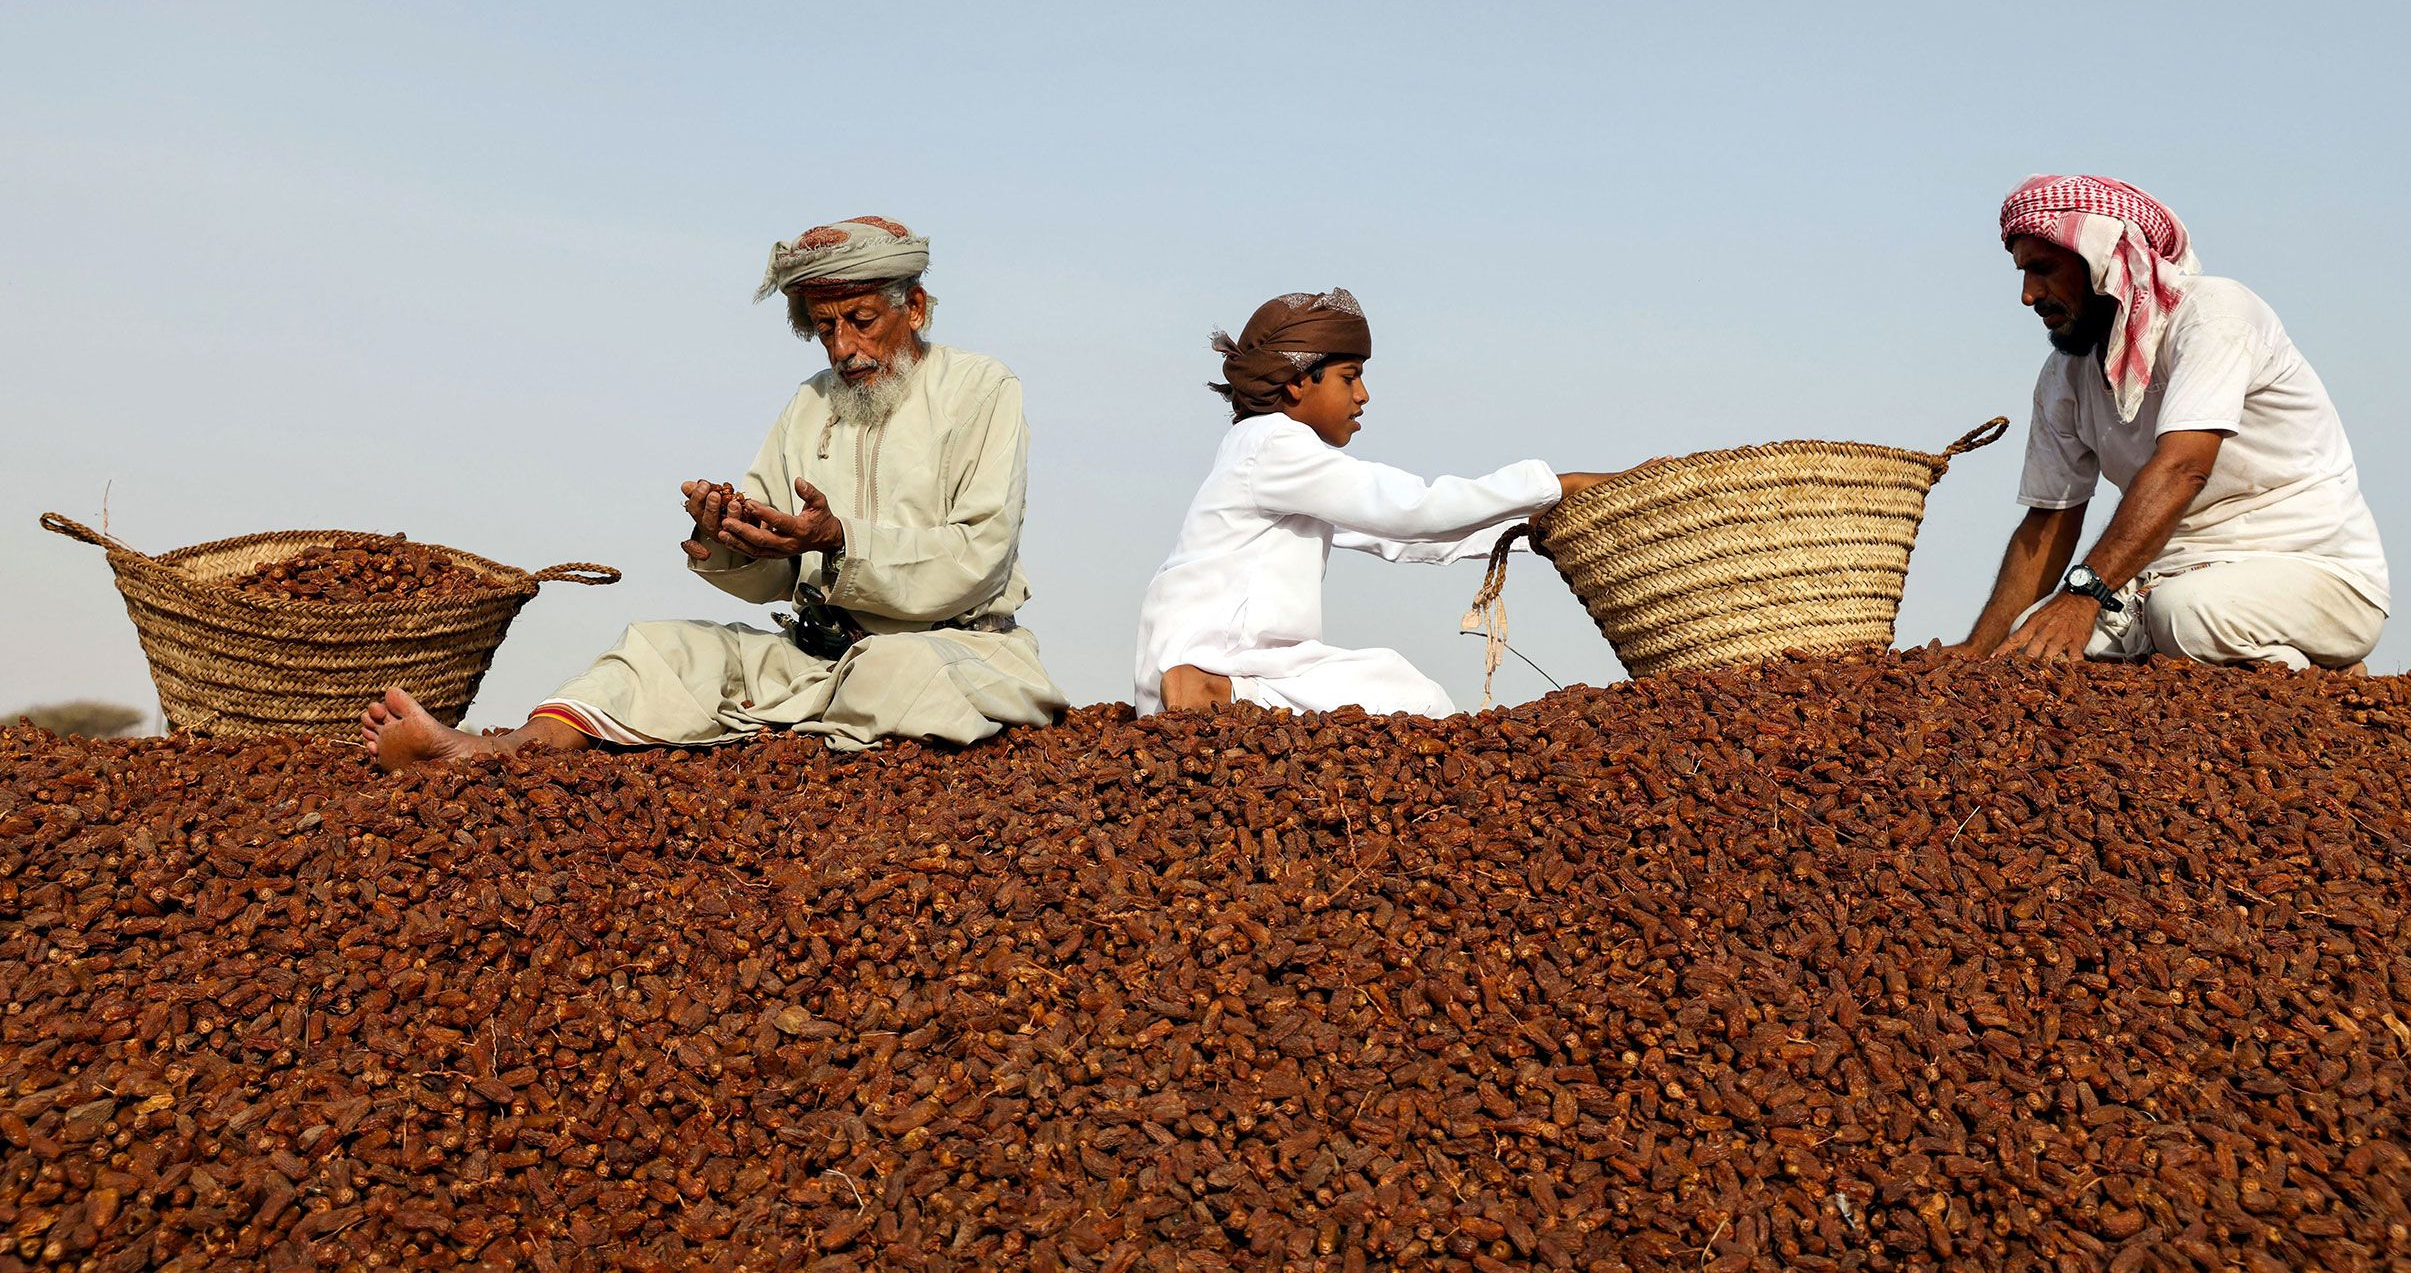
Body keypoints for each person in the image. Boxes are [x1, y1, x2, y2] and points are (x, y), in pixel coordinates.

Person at [364, 216, 1068, 768]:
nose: (842, 347)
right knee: (656, 649)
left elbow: (980, 553)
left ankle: (755, 733)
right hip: (817, 656)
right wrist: (726, 538)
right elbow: (773, 575)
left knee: (898, 673)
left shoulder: (982, 390)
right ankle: (493, 753)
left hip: (950, 649)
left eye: (861, 320)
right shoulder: (810, 404)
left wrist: (839, 540)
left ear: (912, 308)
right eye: (824, 328)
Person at [1952, 175, 2388, 670]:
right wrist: (1976, 652)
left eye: (2044, 268)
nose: (2029, 295)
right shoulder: (2064, 376)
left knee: (2185, 616)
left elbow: (2184, 468)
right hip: (2162, 582)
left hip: (2312, 572)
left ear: (2105, 261)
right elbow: (2051, 518)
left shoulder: (2214, 316)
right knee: (2030, 640)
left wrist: (2085, 593)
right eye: (2023, 273)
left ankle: (2330, 681)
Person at [1135, 287, 1614, 719]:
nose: (1362, 395)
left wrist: (1531, 529)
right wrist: (1556, 484)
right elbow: (1410, 509)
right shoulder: (1275, 443)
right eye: (1350, 377)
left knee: (1405, 689)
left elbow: (1398, 536)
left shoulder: (1263, 453)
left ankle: (1230, 692)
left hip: (1231, 660)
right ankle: (1216, 691)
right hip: (1216, 657)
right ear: (1299, 382)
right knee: (1414, 698)